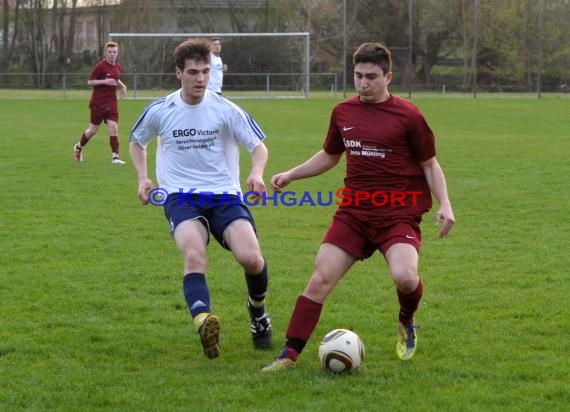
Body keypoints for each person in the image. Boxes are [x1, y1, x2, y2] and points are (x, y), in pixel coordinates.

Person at [262, 42, 455, 371]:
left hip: (398, 214)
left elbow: (429, 164)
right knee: (320, 279)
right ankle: (288, 356)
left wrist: (445, 203)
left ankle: (406, 320)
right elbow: (330, 155)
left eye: (371, 77)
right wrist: (293, 174)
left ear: (388, 77)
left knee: (406, 278)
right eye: (358, 76)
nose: (363, 83)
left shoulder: (409, 116)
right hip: (353, 214)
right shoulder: (343, 112)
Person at [129, 38, 272, 360]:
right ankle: (204, 321)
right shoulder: (161, 109)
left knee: (251, 258)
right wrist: (142, 178)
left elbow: (258, 146)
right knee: (194, 254)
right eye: (193, 72)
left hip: (225, 196)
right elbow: (137, 142)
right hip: (181, 197)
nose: (201, 79)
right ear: (179, 72)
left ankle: (258, 313)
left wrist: (257, 172)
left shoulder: (225, 109)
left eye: (206, 71)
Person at [73, 41, 127, 164]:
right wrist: (104, 81)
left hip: (112, 103)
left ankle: (115, 157)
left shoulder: (117, 67)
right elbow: (90, 82)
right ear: (105, 53)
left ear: (117, 53)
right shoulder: (100, 66)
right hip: (98, 103)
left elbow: (116, 78)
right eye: (110, 52)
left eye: (114, 52)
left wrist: (122, 86)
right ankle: (79, 147)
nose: (112, 54)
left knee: (113, 127)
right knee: (92, 130)